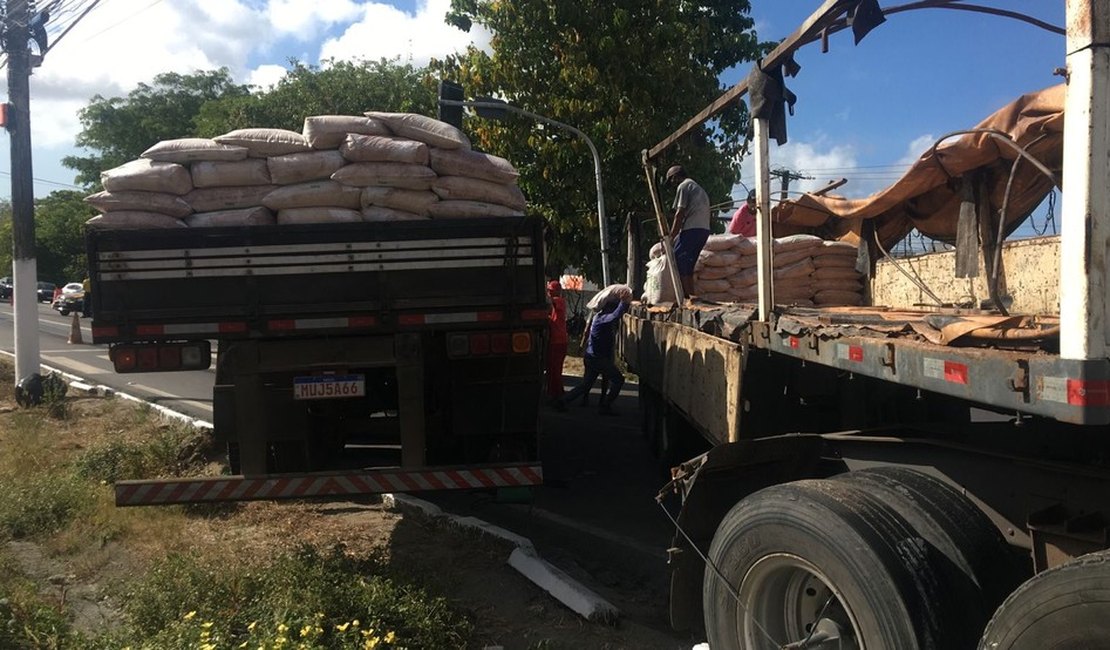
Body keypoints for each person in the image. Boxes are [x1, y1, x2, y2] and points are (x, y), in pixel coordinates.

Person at [555, 286, 632, 415]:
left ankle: (562, 401)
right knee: (618, 379)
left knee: (586, 385)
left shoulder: (598, 317)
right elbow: (615, 316)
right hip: (598, 358)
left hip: (592, 356)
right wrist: (623, 302)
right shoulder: (603, 320)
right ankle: (605, 406)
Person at [666, 165, 711, 299]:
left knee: (677, 257)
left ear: (675, 176)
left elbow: (679, 213)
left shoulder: (684, 186)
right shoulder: (697, 187)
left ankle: (686, 297)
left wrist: (671, 235)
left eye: (671, 180)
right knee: (688, 264)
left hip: (692, 229)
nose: (672, 184)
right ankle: (691, 295)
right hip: (704, 230)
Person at [546, 280, 568, 400]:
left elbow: (549, 301)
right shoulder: (556, 306)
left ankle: (558, 396)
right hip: (557, 341)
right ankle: (554, 393)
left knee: (555, 370)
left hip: (558, 342)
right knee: (552, 369)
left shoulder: (559, 301)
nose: (549, 293)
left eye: (550, 290)